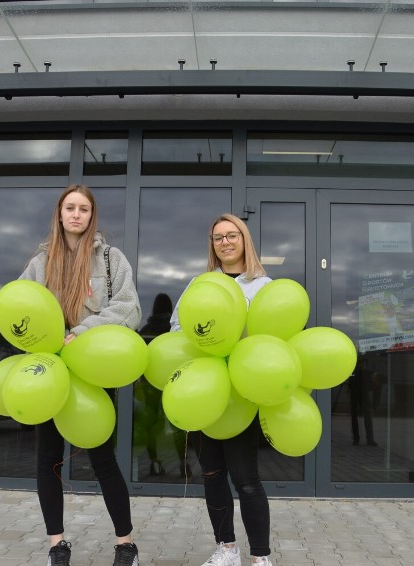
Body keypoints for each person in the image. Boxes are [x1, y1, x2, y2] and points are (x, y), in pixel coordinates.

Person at [19, 184, 141, 566]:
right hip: (51, 371)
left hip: (92, 369)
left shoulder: (111, 259)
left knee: (103, 459)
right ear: (59, 213)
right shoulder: (40, 263)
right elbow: (20, 306)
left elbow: (129, 309)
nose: (76, 214)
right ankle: (57, 544)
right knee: (48, 460)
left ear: (92, 216)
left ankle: (126, 544)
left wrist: (81, 333)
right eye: (69, 207)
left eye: (83, 209)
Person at [170, 213, 274, 566]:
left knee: (246, 478)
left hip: (242, 393)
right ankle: (226, 549)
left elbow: (271, 337)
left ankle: (261, 557)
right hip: (205, 387)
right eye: (218, 238)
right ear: (212, 245)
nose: (225, 242)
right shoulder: (201, 283)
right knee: (212, 472)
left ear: (245, 240)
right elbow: (176, 325)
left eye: (232, 235)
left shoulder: (263, 285)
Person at [136, 293, 190, 479]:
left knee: (150, 423)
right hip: (176, 382)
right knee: (177, 424)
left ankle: (154, 463)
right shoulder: (174, 329)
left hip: (150, 384)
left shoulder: (146, 328)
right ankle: (183, 464)